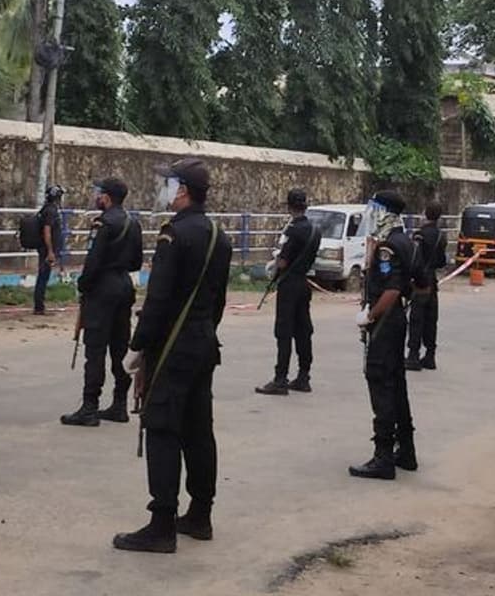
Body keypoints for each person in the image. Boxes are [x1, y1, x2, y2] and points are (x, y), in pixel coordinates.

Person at [113, 158, 232, 554]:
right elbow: (218, 301)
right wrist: (201, 332)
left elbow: (159, 300)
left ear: (182, 190)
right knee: (199, 430)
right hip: (203, 344)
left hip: (172, 347)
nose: (163, 189)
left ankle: (162, 524)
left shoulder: (174, 235)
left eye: (168, 183)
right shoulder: (218, 235)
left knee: (162, 429)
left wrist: (138, 347)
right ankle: (200, 514)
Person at [62, 177, 144, 427]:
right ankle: (119, 404)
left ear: (106, 197)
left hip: (102, 288)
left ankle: (89, 407)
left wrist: (83, 284)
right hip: (124, 286)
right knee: (120, 347)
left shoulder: (103, 223)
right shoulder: (133, 223)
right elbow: (136, 262)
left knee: (95, 349)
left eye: (98, 193)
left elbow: (93, 261)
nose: (96, 197)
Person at [350, 191, 417, 480]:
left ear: (385, 212)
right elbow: (421, 284)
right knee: (397, 384)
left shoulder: (388, 246)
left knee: (380, 383)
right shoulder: (406, 241)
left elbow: (391, 289)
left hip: (385, 323)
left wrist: (370, 315)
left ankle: (383, 456)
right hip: (398, 319)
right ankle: (406, 451)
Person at [256, 188, 321, 394]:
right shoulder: (315, 230)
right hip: (304, 283)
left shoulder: (292, 230)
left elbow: (283, 261)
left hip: (289, 284)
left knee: (284, 332)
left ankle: (280, 378)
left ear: (289, 206)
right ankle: (303, 376)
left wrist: (275, 267)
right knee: (303, 330)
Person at [406, 202, 448, 370]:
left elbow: (414, 259)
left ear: (425, 214)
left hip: (420, 280)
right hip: (432, 280)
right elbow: (442, 261)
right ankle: (430, 355)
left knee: (416, 319)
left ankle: (413, 355)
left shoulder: (419, 235)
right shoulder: (441, 236)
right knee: (431, 319)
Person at [34, 184, 65, 315]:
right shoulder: (51, 211)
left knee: (44, 276)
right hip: (46, 250)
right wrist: (50, 251)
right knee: (43, 276)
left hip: (45, 248)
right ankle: (39, 307)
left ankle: (39, 305)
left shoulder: (47, 209)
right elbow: (47, 231)